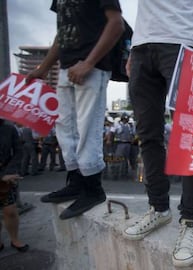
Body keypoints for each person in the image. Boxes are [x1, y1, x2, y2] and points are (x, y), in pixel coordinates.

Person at [122, 0, 193, 267]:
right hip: (141, 47)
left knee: (189, 136)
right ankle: (158, 208)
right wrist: (134, 50)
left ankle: (191, 220)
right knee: (148, 135)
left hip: (183, 42)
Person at [26, 0, 125, 220]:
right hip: (66, 65)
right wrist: (43, 68)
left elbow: (116, 24)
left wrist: (89, 62)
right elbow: (63, 33)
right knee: (64, 126)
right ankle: (76, 182)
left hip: (92, 65)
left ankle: (93, 189)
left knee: (87, 127)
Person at [0, 118, 29, 253]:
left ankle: (14, 239)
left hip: (8, 177)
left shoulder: (9, 128)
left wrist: (9, 172)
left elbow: (18, 151)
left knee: (10, 211)